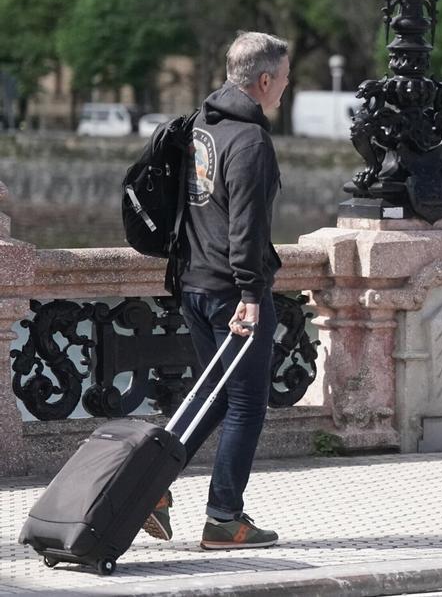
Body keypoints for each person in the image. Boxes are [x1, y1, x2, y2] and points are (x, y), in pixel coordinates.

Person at [142, 31, 289, 550]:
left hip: (194, 285)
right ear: (264, 80)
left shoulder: (201, 126)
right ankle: (225, 519)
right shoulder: (250, 141)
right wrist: (252, 295)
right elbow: (247, 229)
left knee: (213, 397)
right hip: (232, 293)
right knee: (247, 403)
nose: (284, 90)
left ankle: (149, 489)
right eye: (284, 81)